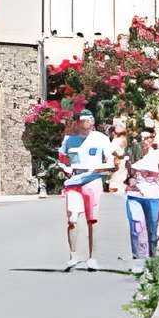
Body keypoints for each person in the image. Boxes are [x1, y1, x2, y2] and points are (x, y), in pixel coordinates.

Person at [59, 109, 117, 270]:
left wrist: (104, 168)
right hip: (74, 181)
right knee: (72, 218)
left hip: (92, 180)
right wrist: (65, 168)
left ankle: (92, 258)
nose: (84, 123)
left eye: (86, 120)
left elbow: (111, 160)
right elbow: (62, 159)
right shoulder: (69, 140)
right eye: (81, 120)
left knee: (92, 220)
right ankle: (73, 255)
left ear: (92, 122)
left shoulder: (101, 139)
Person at [122, 129, 159, 263]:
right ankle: (138, 258)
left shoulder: (158, 156)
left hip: (153, 196)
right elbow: (126, 176)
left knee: (152, 230)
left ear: (152, 139)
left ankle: (153, 259)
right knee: (136, 226)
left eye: (147, 138)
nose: (143, 141)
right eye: (140, 138)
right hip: (134, 195)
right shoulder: (131, 155)